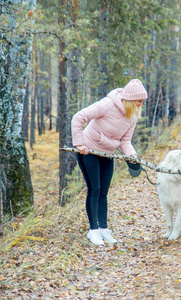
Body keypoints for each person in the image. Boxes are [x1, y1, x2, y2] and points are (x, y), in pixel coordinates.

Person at [71, 79, 147, 245]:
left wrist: (132, 156)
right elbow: (78, 117)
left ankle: (104, 229)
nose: (141, 105)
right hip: (88, 151)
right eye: (139, 101)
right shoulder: (107, 105)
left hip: (107, 154)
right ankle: (93, 231)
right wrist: (79, 144)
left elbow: (125, 141)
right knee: (94, 190)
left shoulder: (132, 116)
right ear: (131, 99)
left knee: (104, 192)